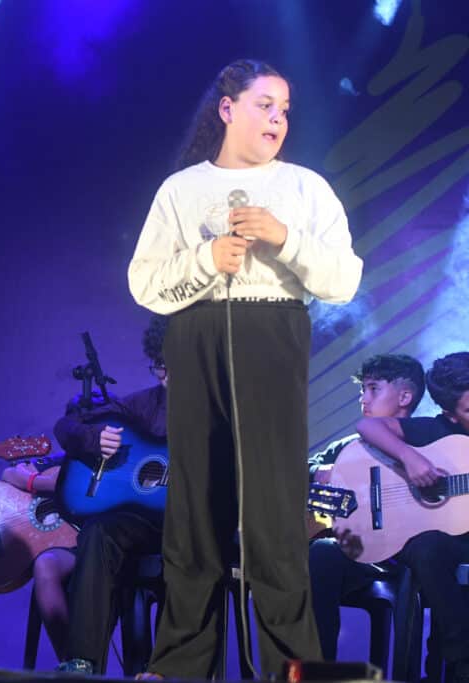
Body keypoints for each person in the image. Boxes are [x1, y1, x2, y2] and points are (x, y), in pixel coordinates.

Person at [127, 59, 362, 678]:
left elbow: (344, 278)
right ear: (227, 109)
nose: (277, 120)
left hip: (273, 331)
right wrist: (207, 257)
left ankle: (292, 667)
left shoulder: (305, 187)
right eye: (265, 105)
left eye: (285, 110)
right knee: (194, 506)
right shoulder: (181, 190)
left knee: (275, 510)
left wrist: (285, 238)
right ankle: (181, 663)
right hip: (196, 331)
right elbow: (145, 283)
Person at [1, 315, 167, 671]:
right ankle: (81, 663)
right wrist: (95, 438)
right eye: (159, 366)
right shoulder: (145, 404)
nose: (165, 376)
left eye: (173, 365)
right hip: (144, 525)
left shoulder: (218, 408)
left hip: (189, 527)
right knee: (100, 531)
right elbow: (68, 425)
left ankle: (165, 670)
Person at [355, 352, 469, 682]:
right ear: (450, 415)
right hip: (447, 550)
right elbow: (368, 426)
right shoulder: (436, 431)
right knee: (426, 547)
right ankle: (461, 661)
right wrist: (410, 458)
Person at [306, 354, 425, 661]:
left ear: (405, 397)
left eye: (373, 389)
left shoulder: (425, 444)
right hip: (352, 554)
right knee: (315, 552)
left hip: (400, 557)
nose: (363, 399)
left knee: (322, 553)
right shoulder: (350, 445)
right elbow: (303, 470)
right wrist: (318, 472)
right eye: (363, 390)